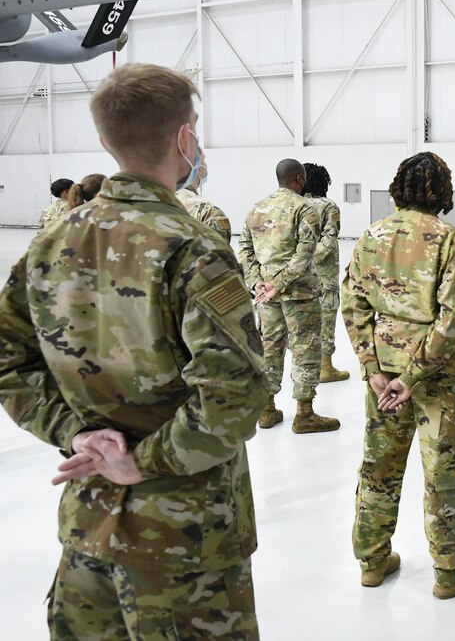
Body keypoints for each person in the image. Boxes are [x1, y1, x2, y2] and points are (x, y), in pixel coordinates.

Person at [0, 63, 267, 639]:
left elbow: (8, 358)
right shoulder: (193, 250)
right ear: (184, 138)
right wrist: (139, 462)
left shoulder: (50, 243)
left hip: (87, 530)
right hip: (186, 546)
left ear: (105, 142)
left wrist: (76, 434)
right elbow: (234, 398)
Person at [343, 151, 455, 598]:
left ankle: (372, 561)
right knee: (440, 470)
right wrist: (412, 378)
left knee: (379, 466)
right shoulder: (450, 240)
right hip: (435, 379)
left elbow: (354, 306)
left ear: (398, 188)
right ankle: (450, 573)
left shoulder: (370, 236)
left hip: (382, 379)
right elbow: (451, 318)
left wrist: (372, 368)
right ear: (443, 192)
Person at [239, 159, 340, 434]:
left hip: (266, 297)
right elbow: (306, 252)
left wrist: (258, 282)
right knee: (306, 348)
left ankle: (267, 409)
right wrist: (280, 283)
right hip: (300, 294)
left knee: (269, 348)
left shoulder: (256, 209)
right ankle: (305, 414)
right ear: (299, 179)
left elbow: (245, 248)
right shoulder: (303, 208)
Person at [301, 162, 351, 383]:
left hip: (297, 275)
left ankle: (303, 368)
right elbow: (329, 242)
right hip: (323, 275)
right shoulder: (328, 207)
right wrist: (311, 260)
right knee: (326, 317)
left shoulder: (296, 204)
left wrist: (298, 263)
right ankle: (325, 367)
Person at [174, 154, 232, 242]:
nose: (206, 164)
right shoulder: (208, 212)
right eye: (203, 160)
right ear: (197, 169)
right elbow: (217, 253)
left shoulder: (157, 200)